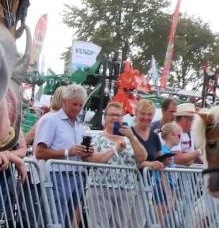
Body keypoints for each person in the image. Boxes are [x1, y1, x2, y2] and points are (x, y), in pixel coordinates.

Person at [34, 84, 92, 228]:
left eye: (80, 105)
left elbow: (75, 151)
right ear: (64, 102)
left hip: (77, 177)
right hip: (56, 175)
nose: (77, 108)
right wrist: (68, 152)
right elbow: (39, 152)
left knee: (66, 222)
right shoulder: (51, 120)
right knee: (53, 221)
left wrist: (86, 153)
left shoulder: (79, 125)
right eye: (74, 104)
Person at [83, 101, 148, 228]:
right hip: (100, 188)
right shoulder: (96, 137)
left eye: (118, 115)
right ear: (105, 117)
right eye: (112, 115)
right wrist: (115, 149)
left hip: (126, 190)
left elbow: (142, 157)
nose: (115, 118)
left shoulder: (130, 139)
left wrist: (132, 137)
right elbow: (94, 159)